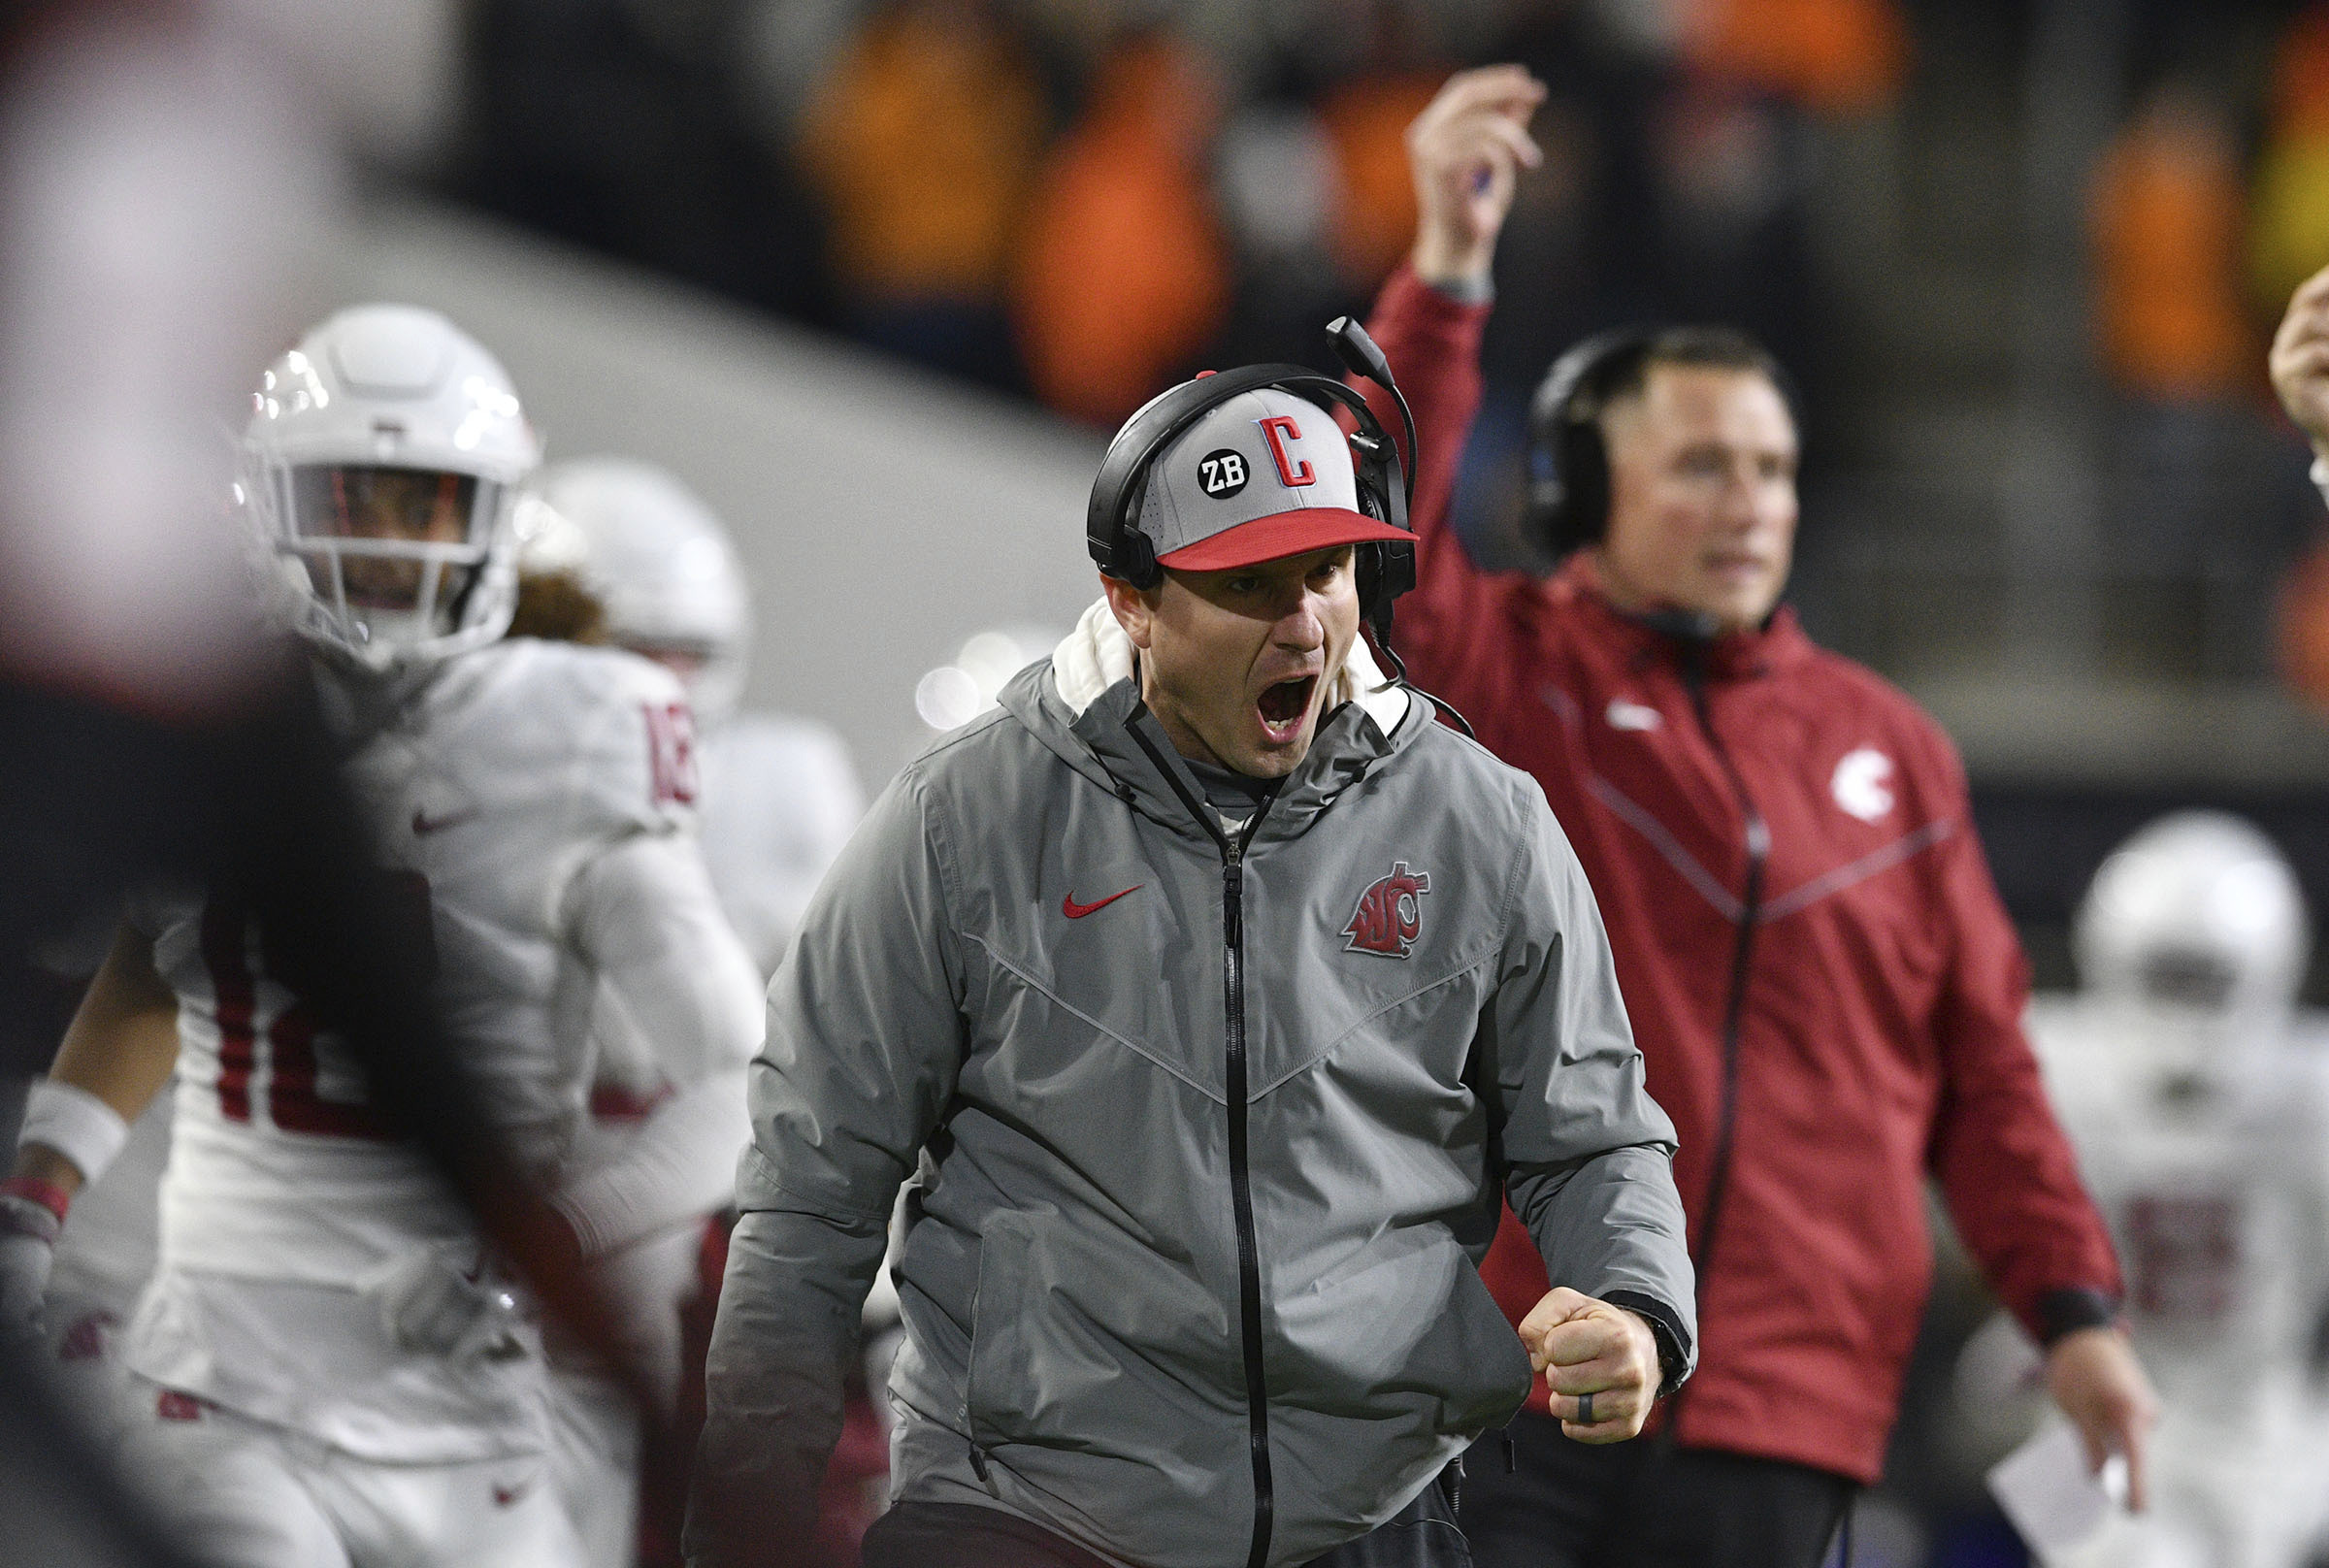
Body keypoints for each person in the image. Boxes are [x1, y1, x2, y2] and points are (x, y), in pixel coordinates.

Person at [685, 344, 1699, 1568]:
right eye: (1248, 583)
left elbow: (1592, 1134)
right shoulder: (961, 823)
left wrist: (1638, 1305)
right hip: (1025, 1510)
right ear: (1132, 600)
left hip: (1369, 1515)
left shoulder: (1482, 821)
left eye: (1326, 570)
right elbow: (809, 1194)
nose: (1302, 619)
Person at [1346, 66, 2156, 1568]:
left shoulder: (1890, 749)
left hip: (1787, 1408)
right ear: (1582, 488)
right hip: (1524, 1369)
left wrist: (2074, 1314)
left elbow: (1983, 1074)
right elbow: (1365, 532)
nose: (1753, 505)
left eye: (1774, 470)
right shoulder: (1515, 677)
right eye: (1703, 466)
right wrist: (1447, 273)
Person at [0, 304, 765, 1567]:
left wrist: (537, 1250)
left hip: (476, 1423)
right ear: (265, 503)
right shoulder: (221, 711)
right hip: (230, 1396)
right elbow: (153, 966)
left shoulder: (572, 738)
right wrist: (39, 1195)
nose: (393, 546)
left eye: (429, 506)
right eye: (360, 495)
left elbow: (742, 1075)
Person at [514, 455, 867, 1564]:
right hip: (493, 1148)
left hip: (676, 1182)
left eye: (687, 652)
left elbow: (826, 1049)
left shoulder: (783, 783)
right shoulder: (468, 755)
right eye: (635, 647)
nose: (664, 681)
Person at [2018, 813, 2329, 1568]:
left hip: (2248, 1429)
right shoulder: (2311, 1085)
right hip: (2108, 1420)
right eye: (2171, 978)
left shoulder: (2045, 1063)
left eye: (2202, 980)